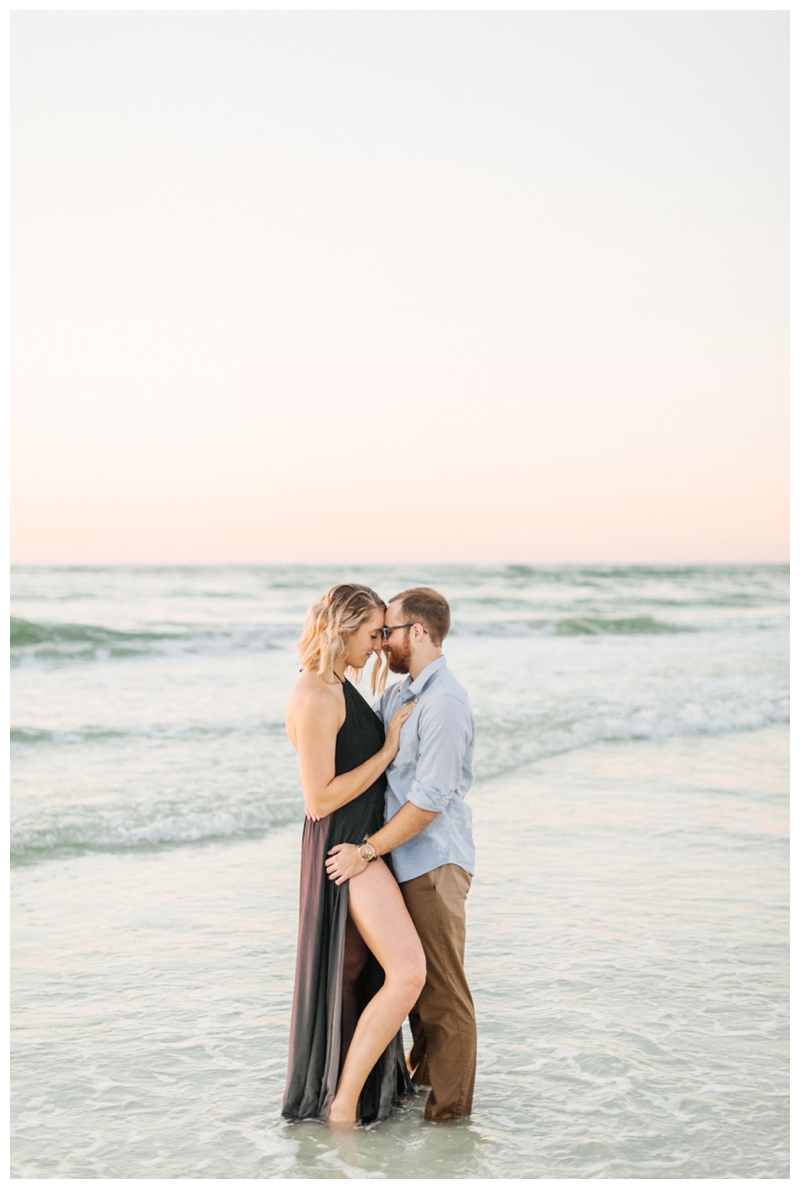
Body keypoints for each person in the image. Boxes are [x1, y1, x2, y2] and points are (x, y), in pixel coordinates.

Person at [325, 586, 477, 1121]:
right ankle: (422, 1095)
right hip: (402, 860)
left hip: (433, 861)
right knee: (417, 997)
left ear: (418, 631)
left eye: (388, 631)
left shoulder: (445, 702)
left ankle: (449, 1121)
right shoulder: (403, 695)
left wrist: (366, 850)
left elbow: (429, 801)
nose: (382, 641)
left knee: (442, 996)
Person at [281, 583, 426, 1127]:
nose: (378, 644)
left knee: (353, 969)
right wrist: (388, 749)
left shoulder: (339, 683)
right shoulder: (316, 694)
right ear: (342, 629)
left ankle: (354, 1100)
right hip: (345, 846)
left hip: (361, 841)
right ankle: (341, 1106)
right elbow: (318, 797)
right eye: (371, 633)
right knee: (406, 971)